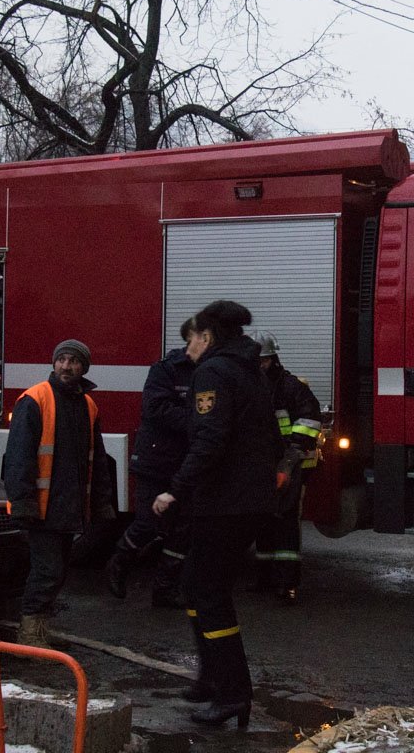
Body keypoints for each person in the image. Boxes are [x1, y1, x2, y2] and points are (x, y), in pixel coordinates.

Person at [153, 300, 282, 729]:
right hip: (250, 500)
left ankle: (231, 693)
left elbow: (209, 440)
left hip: (224, 502)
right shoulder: (250, 371)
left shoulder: (212, 372)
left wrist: (175, 489)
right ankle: (212, 680)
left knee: (207, 592)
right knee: (198, 584)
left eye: (190, 338)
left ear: (206, 337)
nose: (186, 347)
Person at [4, 339, 116, 647]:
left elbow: (97, 461)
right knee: (47, 571)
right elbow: (18, 457)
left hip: (66, 508)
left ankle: (37, 629)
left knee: (56, 572)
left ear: (84, 367)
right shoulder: (36, 399)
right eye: (62, 360)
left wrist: (100, 504)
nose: (66, 366)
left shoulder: (88, 406)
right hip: (44, 509)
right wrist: (24, 502)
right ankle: (30, 635)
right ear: (54, 363)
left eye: (73, 361)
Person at [107, 318, 196, 607]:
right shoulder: (166, 369)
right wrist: (199, 423)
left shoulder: (207, 372)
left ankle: (164, 590)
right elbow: (156, 408)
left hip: (185, 464)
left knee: (182, 530)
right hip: (155, 461)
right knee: (147, 521)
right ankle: (118, 563)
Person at [250, 330, 323, 604]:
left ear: (274, 359)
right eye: (256, 361)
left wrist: (290, 454)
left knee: (285, 522)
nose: (260, 366)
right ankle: (264, 577)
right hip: (260, 465)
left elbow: (310, 420)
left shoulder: (291, 387)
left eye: (264, 360)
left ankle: (286, 583)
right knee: (263, 520)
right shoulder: (248, 385)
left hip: (289, 464)